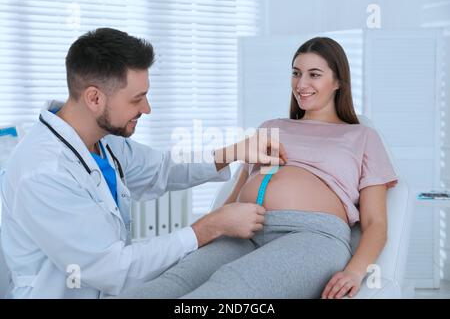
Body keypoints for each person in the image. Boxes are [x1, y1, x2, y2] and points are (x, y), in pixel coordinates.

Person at [0, 28, 286, 299]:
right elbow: (111, 267)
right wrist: (208, 227)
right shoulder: (42, 172)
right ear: (94, 98)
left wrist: (234, 151)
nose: (146, 109)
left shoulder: (102, 138)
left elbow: (162, 168)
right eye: (137, 99)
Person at [118, 37, 398, 299]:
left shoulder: (362, 136)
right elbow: (238, 192)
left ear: (338, 81)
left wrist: (355, 270)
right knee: (168, 284)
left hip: (311, 235)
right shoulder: (271, 127)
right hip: (244, 229)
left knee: (227, 289)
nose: (301, 83)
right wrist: (210, 231)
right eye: (296, 73)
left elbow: (376, 223)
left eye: (314, 74)